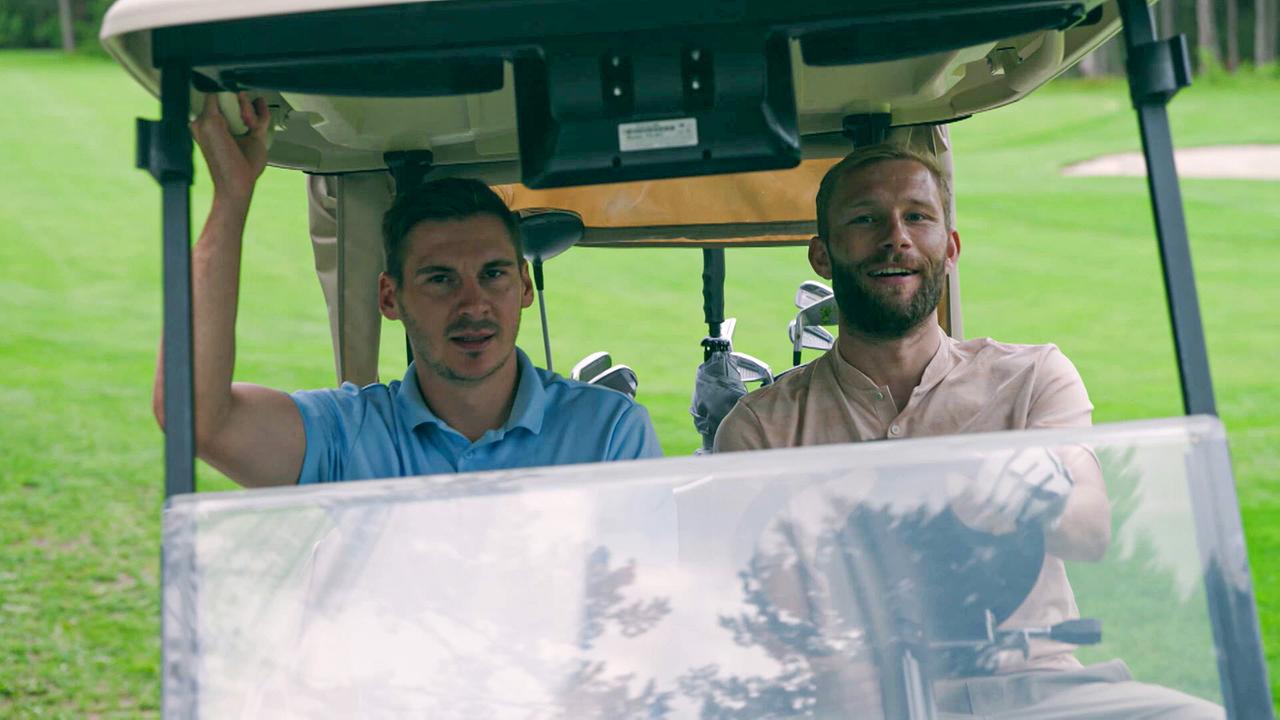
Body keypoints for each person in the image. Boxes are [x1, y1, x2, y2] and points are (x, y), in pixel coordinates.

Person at [714, 143, 1222, 717]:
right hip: (860, 699)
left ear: (950, 247)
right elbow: (758, 616)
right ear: (822, 256)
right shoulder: (762, 428)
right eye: (865, 219)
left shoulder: (1032, 376)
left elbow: (1089, 529)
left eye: (917, 217)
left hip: (1037, 689)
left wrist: (1027, 491)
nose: (896, 238)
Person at [153, 93, 661, 487]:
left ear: (524, 285)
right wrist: (232, 196)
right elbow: (194, 416)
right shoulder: (347, 433)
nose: (473, 304)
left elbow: (642, 584)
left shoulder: (608, 432)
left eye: (493, 274)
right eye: (440, 278)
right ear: (389, 298)